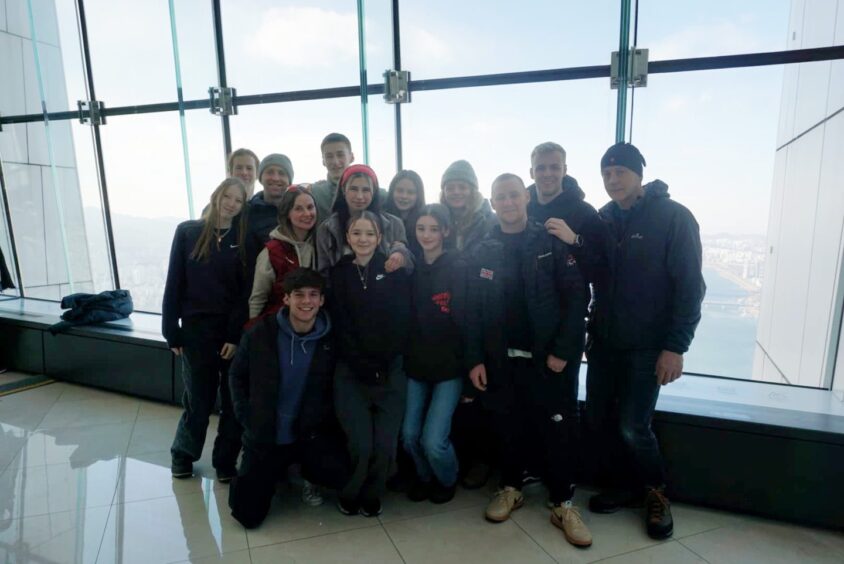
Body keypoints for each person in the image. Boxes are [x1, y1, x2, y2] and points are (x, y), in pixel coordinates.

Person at [577, 143, 705, 540]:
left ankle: (656, 493)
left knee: (634, 425)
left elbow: (690, 287)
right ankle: (626, 486)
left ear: (639, 175)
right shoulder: (603, 219)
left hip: (648, 346)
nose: (613, 180)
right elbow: (596, 279)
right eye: (607, 173)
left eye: (620, 172)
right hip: (604, 343)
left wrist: (676, 347)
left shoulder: (673, 217)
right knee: (601, 420)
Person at [465, 173, 593, 548]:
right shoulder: (483, 248)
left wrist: (563, 352)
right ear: (492, 203)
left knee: (558, 428)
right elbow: (472, 310)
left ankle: (563, 503)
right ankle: (510, 487)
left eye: (514, 195)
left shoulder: (550, 241)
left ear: (527, 197)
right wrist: (475, 358)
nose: (507, 203)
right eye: (500, 197)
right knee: (508, 425)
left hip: (549, 359)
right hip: (501, 360)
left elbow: (576, 302)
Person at [227, 268, 350, 529]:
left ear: (322, 300)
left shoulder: (331, 338)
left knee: (340, 473)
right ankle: (272, 470)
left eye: (313, 295)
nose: (307, 301)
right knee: (246, 515)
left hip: (310, 433)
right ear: (286, 299)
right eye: (299, 295)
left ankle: (305, 473)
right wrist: (246, 416)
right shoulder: (260, 333)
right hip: (266, 432)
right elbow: (237, 376)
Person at [162, 177, 249, 482]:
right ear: (216, 196)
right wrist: (170, 330)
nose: (232, 204)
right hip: (196, 330)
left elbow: (244, 293)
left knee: (231, 401)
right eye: (228, 197)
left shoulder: (243, 239)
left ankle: (224, 461)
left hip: (228, 332)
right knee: (198, 398)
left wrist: (234, 335)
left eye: (239, 201)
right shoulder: (188, 232)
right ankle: (183, 454)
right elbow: (174, 281)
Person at [329, 211, 411, 517]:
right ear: (348, 238)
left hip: (390, 370)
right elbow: (341, 325)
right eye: (357, 233)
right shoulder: (337, 273)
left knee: (386, 445)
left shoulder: (394, 271)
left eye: (370, 234)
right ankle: (351, 492)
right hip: (350, 372)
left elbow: (401, 322)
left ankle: (374, 492)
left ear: (380, 239)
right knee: (361, 444)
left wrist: (382, 363)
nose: (363, 239)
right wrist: (361, 364)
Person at [401, 204, 467, 504]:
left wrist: (469, 372)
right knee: (409, 436)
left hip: (450, 370)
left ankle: (447, 478)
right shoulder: (412, 268)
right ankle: (425, 478)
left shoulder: (458, 267)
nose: (426, 235)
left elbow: (469, 321)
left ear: (445, 232)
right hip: (416, 366)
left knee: (433, 441)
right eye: (421, 229)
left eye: (433, 229)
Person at [316, 164, 413, 276]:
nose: (360, 196)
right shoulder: (326, 229)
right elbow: (323, 274)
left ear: (374, 192)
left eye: (366, 190)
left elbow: (409, 266)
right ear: (343, 190)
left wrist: (400, 254)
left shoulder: (394, 224)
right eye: (353, 189)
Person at [248, 185, 318, 320]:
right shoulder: (272, 251)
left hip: (312, 325)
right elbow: (258, 298)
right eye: (298, 209)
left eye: (310, 207)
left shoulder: (322, 245)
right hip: (278, 325)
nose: (307, 214)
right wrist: (254, 333)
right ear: (287, 214)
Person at [245, 153, 295, 281]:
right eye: (270, 172)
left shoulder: (299, 209)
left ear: (289, 181)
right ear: (260, 177)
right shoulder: (246, 212)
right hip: (256, 284)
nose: (276, 178)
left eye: (282, 173)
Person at [439, 160, 496, 255]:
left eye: (462, 187)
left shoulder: (492, 223)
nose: (456, 192)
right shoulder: (437, 222)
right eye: (450, 188)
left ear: (473, 191)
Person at [311, 133, 356, 223]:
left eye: (340, 155)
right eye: (329, 156)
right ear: (323, 161)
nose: (335, 161)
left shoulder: (371, 193)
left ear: (351, 157)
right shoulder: (314, 193)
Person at [384, 170, 426, 258]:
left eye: (410, 192)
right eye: (399, 191)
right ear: (392, 192)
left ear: (418, 195)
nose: (404, 196)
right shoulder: (382, 220)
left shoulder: (425, 221)